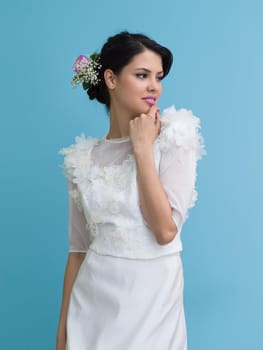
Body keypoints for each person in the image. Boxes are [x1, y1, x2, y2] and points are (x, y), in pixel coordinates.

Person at [56, 31, 205, 350]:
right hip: (92, 305)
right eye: (142, 75)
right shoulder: (82, 159)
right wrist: (62, 334)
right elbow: (77, 252)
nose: (154, 86)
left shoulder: (174, 138)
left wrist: (141, 147)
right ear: (111, 78)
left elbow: (165, 230)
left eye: (158, 77)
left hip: (153, 308)